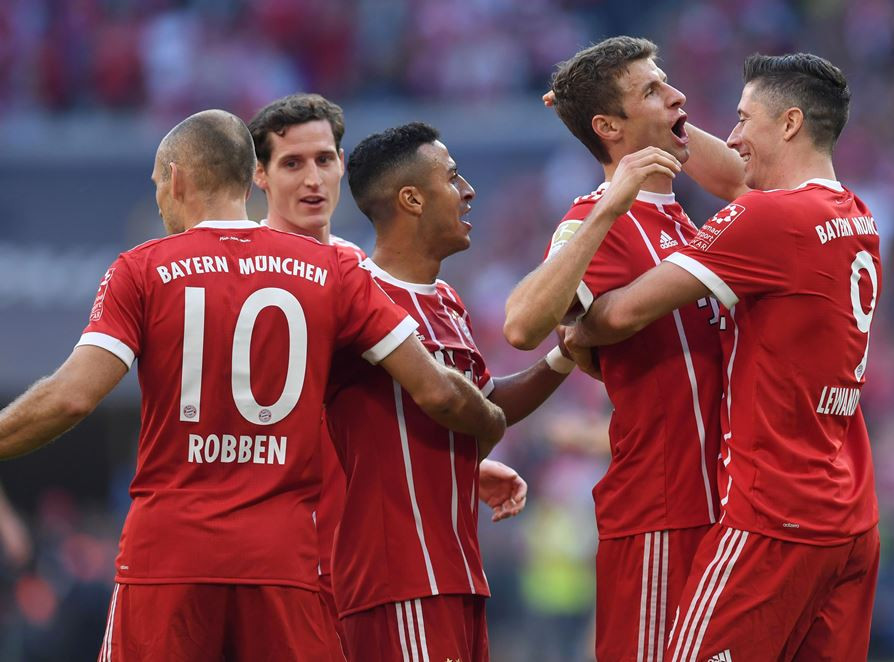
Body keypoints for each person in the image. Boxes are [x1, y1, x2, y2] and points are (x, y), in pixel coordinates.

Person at [0, 110, 506, 661]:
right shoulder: (333, 271)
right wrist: (491, 423)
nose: (160, 202)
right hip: (283, 563)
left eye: (157, 187)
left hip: (168, 559)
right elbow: (438, 393)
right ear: (250, 178)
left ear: (176, 179)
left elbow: (72, 397)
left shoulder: (140, 269)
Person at [569, 53, 882, 661]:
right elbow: (737, 178)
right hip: (853, 518)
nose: (733, 137)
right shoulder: (855, 214)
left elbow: (624, 313)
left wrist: (579, 327)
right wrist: (618, 112)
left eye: (743, 119)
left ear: (788, 124)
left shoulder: (767, 218)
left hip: (774, 517)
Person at [502, 36, 746, 661]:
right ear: (609, 126)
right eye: (652, 90)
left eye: (667, 83)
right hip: (659, 513)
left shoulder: (685, 222)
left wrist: (665, 128)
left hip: (724, 508)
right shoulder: (594, 220)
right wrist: (611, 200)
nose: (677, 94)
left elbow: (745, 180)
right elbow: (523, 325)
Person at [246, 93, 529, 632]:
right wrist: (483, 425)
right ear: (259, 175)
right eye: (292, 163)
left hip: (350, 564)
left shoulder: (351, 270)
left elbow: (354, 410)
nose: (313, 180)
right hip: (295, 565)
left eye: (324, 160)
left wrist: (439, 464)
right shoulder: (254, 277)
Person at [328, 122, 572, 661]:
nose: (468, 191)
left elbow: (487, 403)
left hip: (457, 571)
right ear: (411, 199)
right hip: (397, 579)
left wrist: (564, 357)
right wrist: (487, 428)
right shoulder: (357, 296)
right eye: (452, 176)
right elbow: (463, 410)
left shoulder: (446, 301)